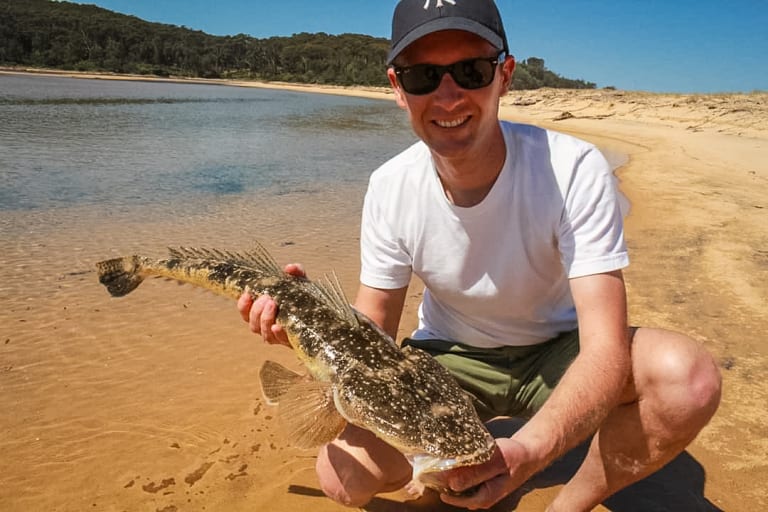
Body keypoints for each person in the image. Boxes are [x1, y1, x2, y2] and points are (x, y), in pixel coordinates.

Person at [238, 0, 722, 509]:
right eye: (423, 76)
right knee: (343, 479)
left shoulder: (574, 169)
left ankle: (570, 502)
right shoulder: (389, 186)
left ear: (505, 75)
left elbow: (602, 347)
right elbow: (374, 328)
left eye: (470, 70)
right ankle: (439, 474)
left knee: (685, 379)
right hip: (447, 360)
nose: (448, 97)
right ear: (398, 89)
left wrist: (531, 451)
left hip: (559, 351)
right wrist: (303, 329)